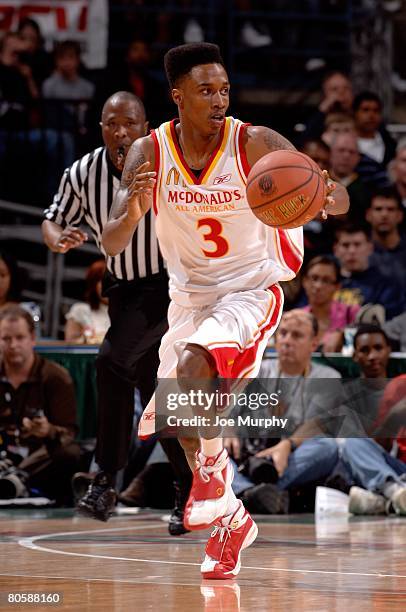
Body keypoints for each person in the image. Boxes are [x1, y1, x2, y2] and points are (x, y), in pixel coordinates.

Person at [101, 43, 348, 579]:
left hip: (250, 288)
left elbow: (340, 198)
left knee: (193, 367)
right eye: (206, 90)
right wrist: (135, 208)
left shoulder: (254, 141)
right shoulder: (150, 153)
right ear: (177, 96)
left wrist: (324, 194)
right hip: (188, 296)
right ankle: (232, 517)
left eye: (225, 89)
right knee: (180, 419)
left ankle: (212, 483)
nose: (219, 100)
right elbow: (113, 240)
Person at [41, 91, 191, 534]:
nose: (120, 131)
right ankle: (189, 490)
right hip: (124, 291)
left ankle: (106, 477)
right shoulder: (83, 172)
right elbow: (51, 218)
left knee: (109, 363)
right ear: (101, 127)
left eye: (129, 122)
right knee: (159, 399)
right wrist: (57, 238)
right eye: (111, 123)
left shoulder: (167, 163)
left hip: (167, 287)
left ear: (145, 126)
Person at [230, 310, 341, 514]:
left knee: (328, 447)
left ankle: (248, 494)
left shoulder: (328, 376)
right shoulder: (255, 370)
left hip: (289, 459)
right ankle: (248, 492)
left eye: (297, 335)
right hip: (245, 455)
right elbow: (227, 408)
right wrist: (226, 431)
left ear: (314, 344)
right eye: (283, 334)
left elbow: (318, 423)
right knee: (205, 439)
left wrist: (287, 445)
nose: (287, 341)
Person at [0, 305, 79, 505]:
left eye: (20, 338)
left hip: (39, 458)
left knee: (69, 452)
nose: (13, 345)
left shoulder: (55, 376)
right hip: (4, 451)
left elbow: (69, 433)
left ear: (32, 339)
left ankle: (16, 479)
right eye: (6, 339)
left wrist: (48, 430)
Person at [340, 327, 406, 515]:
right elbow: (368, 449)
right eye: (365, 350)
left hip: (395, 470)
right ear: (354, 355)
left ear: (388, 350)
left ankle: (384, 504)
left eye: (378, 348)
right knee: (352, 446)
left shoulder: (397, 386)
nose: (372, 356)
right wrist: (393, 419)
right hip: (377, 466)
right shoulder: (345, 394)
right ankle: (394, 493)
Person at [333, 224, 405, 320]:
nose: (352, 251)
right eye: (346, 245)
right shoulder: (325, 282)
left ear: (370, 248)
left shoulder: (386, 286)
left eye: (357, 244)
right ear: (336, 250)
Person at [301, 255, 359, 352]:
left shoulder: (351, 313)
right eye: (314, 278)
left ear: (337, 287)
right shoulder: (296, 317)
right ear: (305, 282)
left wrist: (342, 333)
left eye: (326, 280)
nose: (318, 286)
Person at [64, 259, 110, 344]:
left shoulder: (127, 313)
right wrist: (87, 339)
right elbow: (69, 344)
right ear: (93, 284)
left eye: (112, 281)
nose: (108, 285)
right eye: (101, 280)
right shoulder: (80, 310)